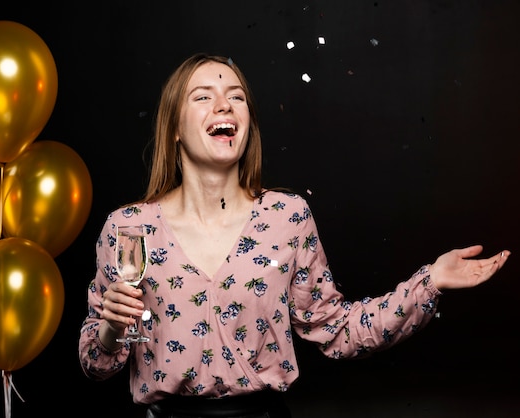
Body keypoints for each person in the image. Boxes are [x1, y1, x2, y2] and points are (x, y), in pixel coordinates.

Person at [78, 53, 510, 418]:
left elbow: (337, 330)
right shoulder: (129, 228)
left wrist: (430, 281)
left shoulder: (287, 217)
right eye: (203, 97)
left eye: (236, 97)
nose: (224, 106)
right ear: (173, 126)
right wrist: (113, 329)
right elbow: (94, 365)